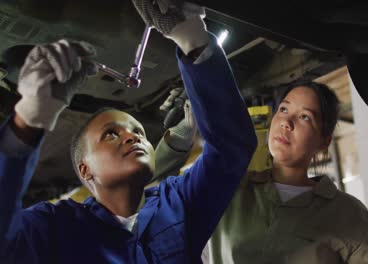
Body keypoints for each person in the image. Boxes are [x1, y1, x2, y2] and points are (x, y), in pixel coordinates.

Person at [0, 0, 257, 263]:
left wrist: (194, 39)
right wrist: (27, 122)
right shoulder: (54, 227)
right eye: (111, 134)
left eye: (140, 132)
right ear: (85, 169)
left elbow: (231, 150)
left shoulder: (178, 203)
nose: (133, 136)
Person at [154, 80, 368, 263]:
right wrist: (181, 137)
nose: (286, 122)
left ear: (324, 141)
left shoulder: (349, 215)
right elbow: (152, 199)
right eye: (284, 109)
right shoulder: (229, 189)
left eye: (305, 117)